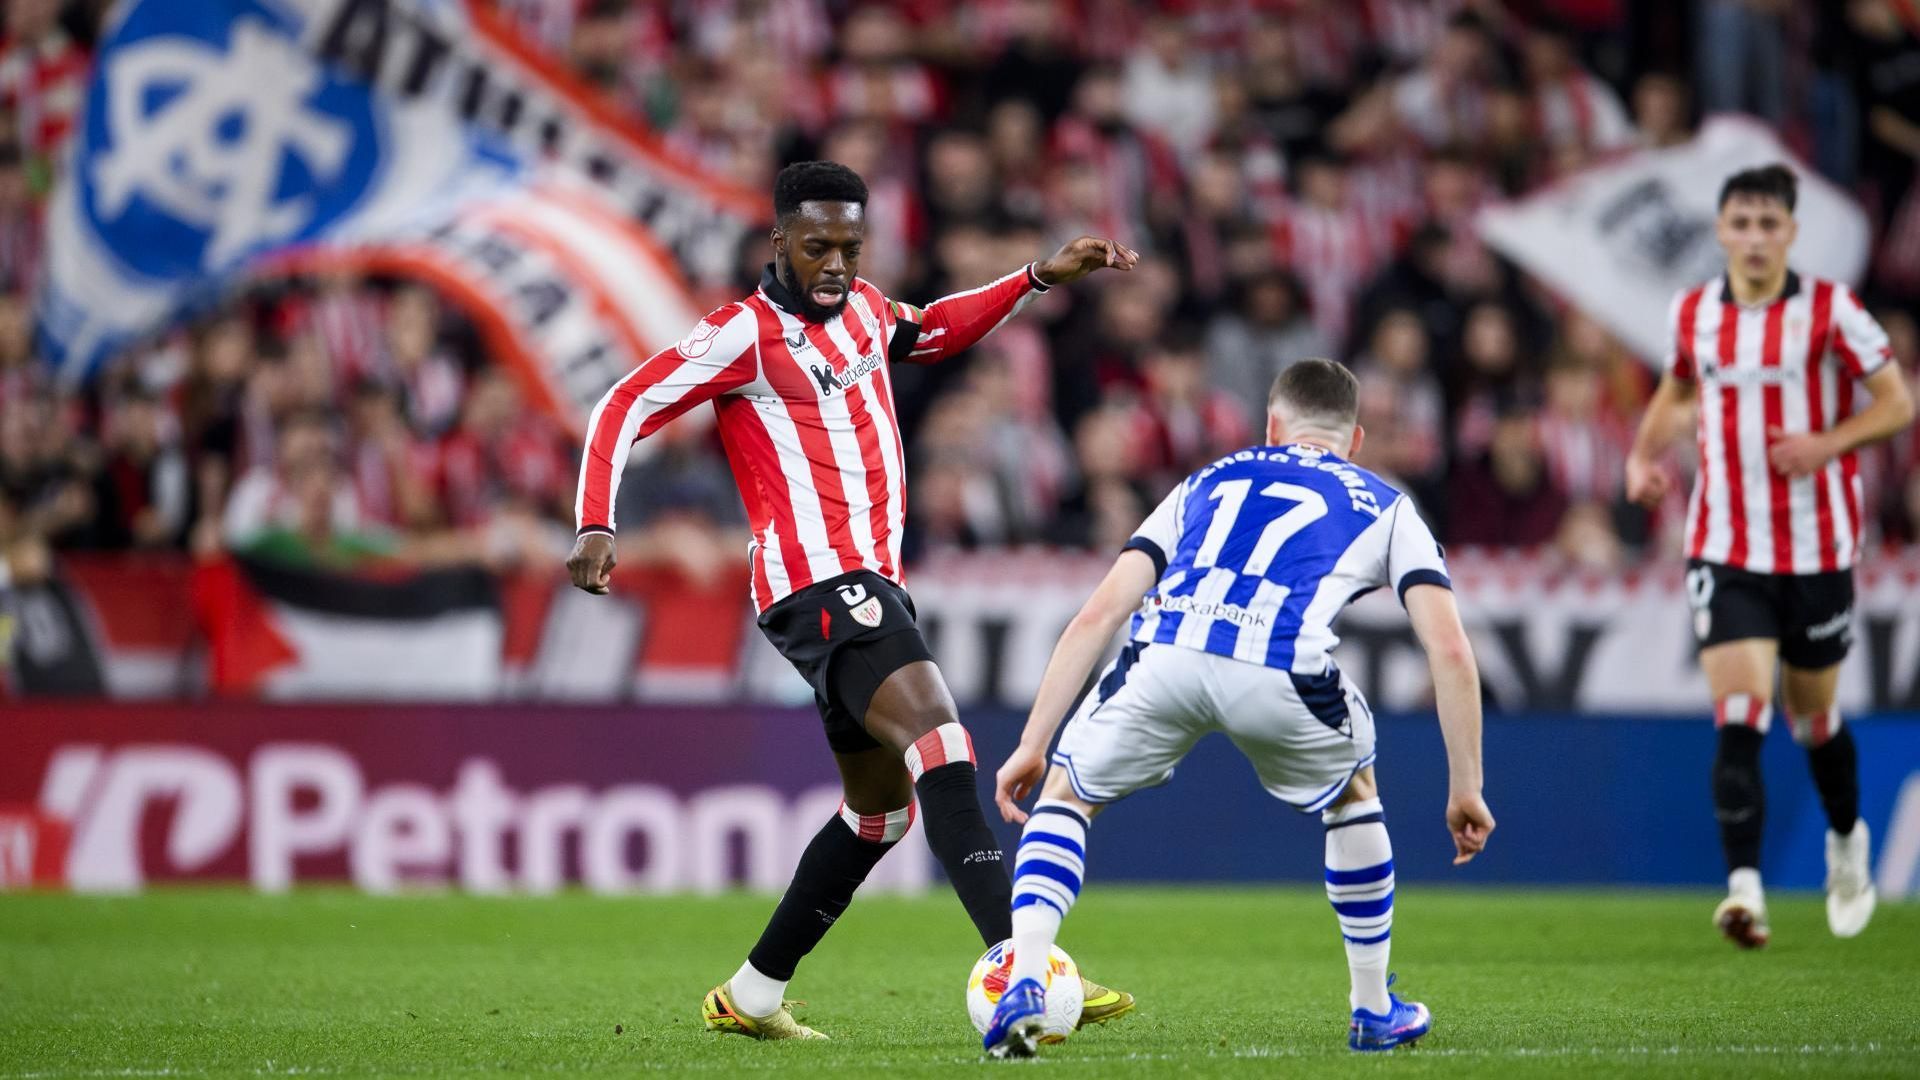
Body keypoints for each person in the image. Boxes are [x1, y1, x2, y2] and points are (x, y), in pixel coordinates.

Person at [565, 161, 1140, 1040]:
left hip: (870, 582)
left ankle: (752, 995)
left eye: (849, 245)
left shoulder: (867, 310)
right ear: (779, 242)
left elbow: (934, 332)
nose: (835, 263)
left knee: (880, 814)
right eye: (817, 246)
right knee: (942, 743)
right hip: (815, 584)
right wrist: (595, 523)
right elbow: (622, 404)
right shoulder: (743, 335)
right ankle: (1024, 967)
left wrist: (1032, 278)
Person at [985, 359, 1494, 1057]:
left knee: (1067, 793)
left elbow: (1102, 610)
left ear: (1271, 426)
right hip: (1282, 666)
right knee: (1353, 793)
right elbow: (1452, 651)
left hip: (1167, 650)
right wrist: (1465, 785)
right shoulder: (1387, 501)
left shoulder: (1208, 478)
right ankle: (1373, 1009)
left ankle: (1027, 980)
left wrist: (1033, 741)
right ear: (1355, 439)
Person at [1625, 164, 1915, 949]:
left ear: (1791, 232)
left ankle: (1847, 840)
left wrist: (1829, 441)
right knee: (1742, 713)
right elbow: (1676, 392)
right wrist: (1639, 458)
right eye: (1741, 224)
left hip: (1819, 545)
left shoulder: (1831, 311)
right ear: (1721, 231)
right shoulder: (1693, 313)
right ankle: (1745, 889)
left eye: (1768, 225)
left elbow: (1898, 402)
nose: (1754, 239)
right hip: (1725, 544)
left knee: (1813, 718)